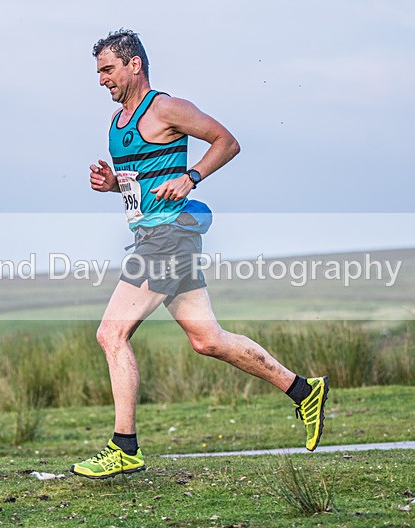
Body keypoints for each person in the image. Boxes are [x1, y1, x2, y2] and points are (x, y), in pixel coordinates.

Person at [70, 29, 328, 479]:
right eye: (98, 73)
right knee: (208, 340)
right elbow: (143, 185)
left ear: (135, 65)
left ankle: (124, 446)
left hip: (168, 238)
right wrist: (115, 185)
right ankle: (303, 390)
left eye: (108, 70)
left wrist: (192, 177)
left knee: (111, 334)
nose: (101, 81)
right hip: (157, 236)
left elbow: (227, 141)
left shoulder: (167, 108)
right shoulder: (117, 125)